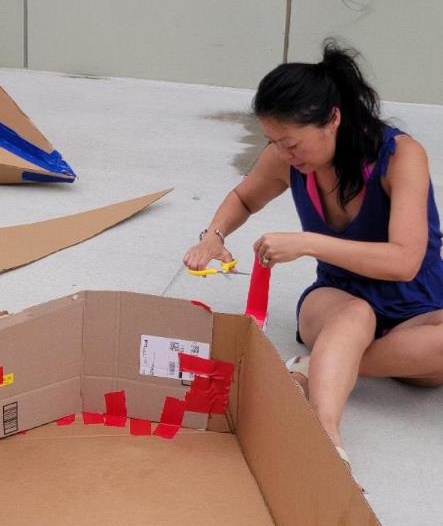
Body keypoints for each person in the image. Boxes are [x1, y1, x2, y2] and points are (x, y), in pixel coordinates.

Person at [183, 41, 443, 467]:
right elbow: (245, 198)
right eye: (272, 142)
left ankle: (312, 366)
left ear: (333, 119)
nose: (281, 154)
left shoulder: (402, 156)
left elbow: (404, 262)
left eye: (291, 143)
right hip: (339, 297)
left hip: (419, 302)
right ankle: (326, 438)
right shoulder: (285, 159)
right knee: (354, 315)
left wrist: (307, 243)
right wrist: (213, 235)